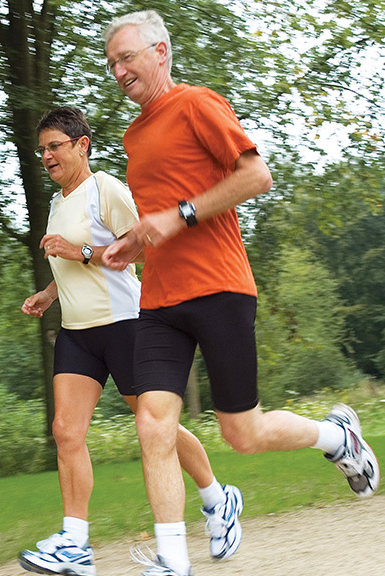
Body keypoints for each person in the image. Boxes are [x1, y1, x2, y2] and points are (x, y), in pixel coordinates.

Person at [100, 10, 380, 576]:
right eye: (111, 64)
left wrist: (178, 216)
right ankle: (172, 559)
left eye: (126, 57)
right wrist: (135, 242)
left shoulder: (197, 103)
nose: (118, 71)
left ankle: (336, 437)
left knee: (242, 433)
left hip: (219, 288)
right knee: (152, 423)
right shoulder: (134, 134)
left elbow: (256, 176)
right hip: (159, 302)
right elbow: (162, 219)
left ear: (160, 52)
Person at [17, 106, 243, 576]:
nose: (47, 156)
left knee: (157, 426)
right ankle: (75, 543)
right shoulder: (57, 203)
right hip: (77, 332)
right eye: (42, 150)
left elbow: (140, 249)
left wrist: (78, 250)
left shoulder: (106, 189)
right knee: (65, 431)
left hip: (124, 324)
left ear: (82, 145)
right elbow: (72, 265)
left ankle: (217, 498)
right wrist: (49, 294)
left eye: (55, 146)